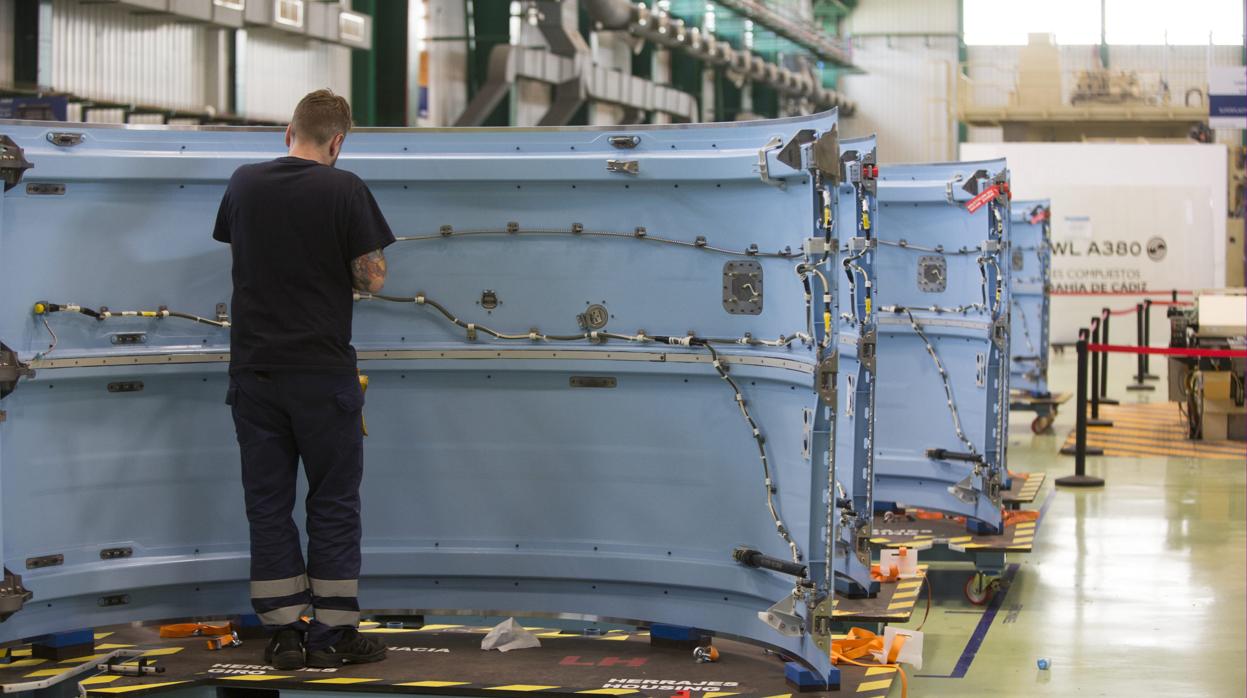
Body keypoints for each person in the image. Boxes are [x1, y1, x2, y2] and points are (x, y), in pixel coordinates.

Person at [213, 89, 395, 670]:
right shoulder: (346, 188)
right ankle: (334, 635)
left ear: (287, 132)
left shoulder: (243, 183)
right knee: (334, 501)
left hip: (255, 373)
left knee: (267, 504)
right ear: (338, 141)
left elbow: (243, 249)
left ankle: (283, 634)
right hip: (322, 374)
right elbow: (372, 280)